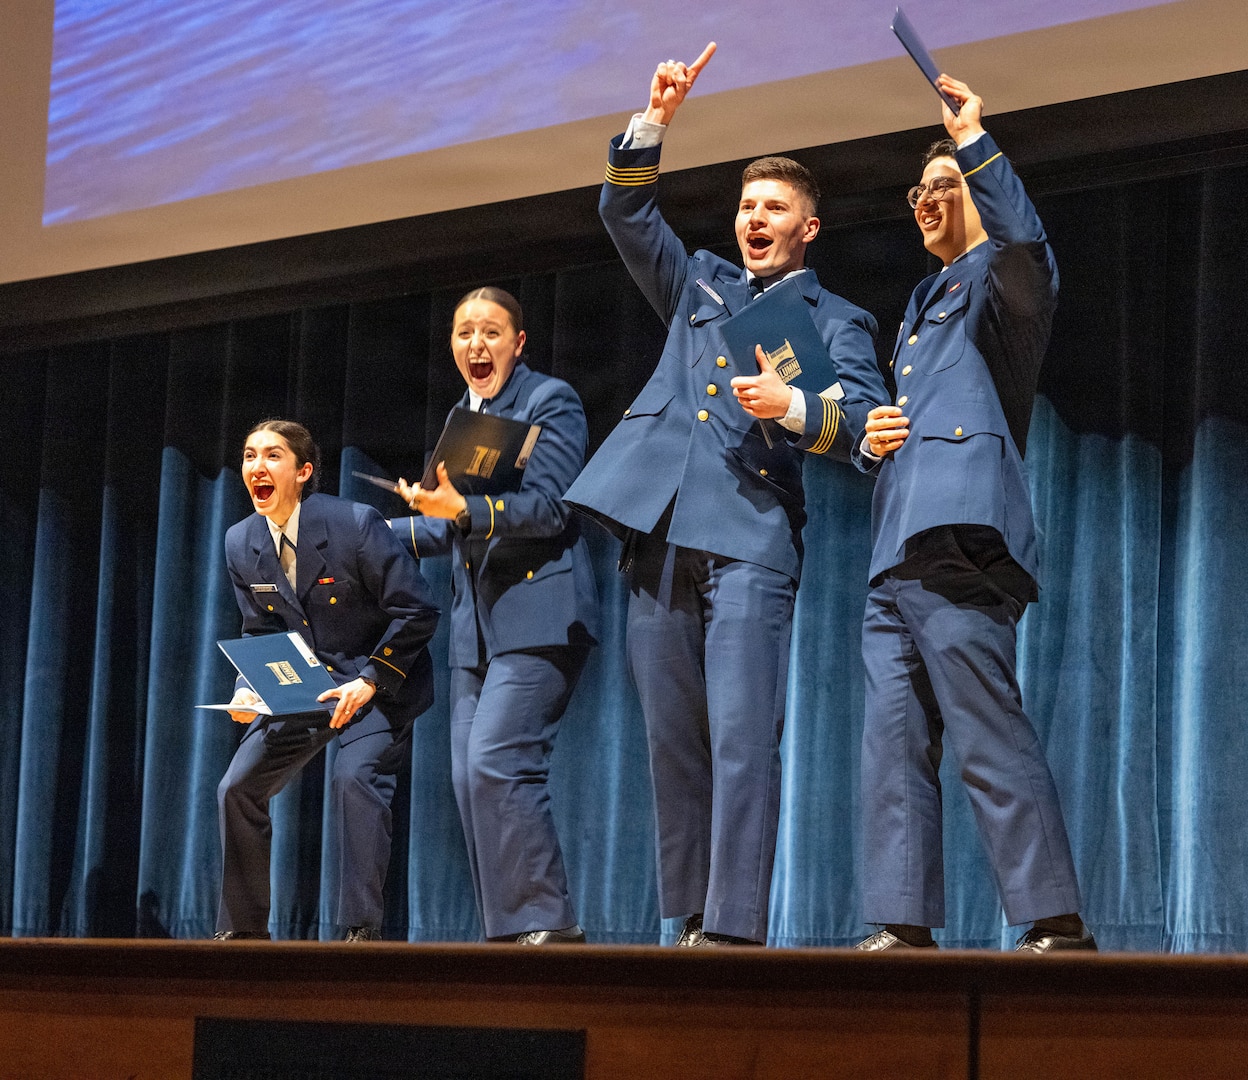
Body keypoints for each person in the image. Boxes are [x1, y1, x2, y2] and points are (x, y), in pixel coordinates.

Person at [564, 44, 888, 947]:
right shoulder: (698, 280)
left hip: (750, 538)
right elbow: (624, 210)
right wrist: (655, 121)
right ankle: (692, 919)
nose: (755, 217)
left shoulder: (838, 320)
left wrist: (796, 406)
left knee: (744, 744)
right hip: (658, 534)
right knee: (676, 749)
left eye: (774, 207)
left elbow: (863, 431)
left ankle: (737, 929)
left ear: (807, 230)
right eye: (747, 204)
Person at [853, 75, 1094, 952]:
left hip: (960, 535)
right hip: (894, 541)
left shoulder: (1002, 278)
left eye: (942, 187)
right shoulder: (920, 302)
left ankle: (1053, 920)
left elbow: (1025, 241)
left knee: (987, 734)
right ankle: (902, 923)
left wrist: (974, 142)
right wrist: (871, 437)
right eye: (918, 192)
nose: (926, 201)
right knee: (891, 745)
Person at [395, 287, 598, 945]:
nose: (475, 345)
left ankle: (550, 925)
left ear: (519, 343)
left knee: (497, 762)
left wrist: (465, 512)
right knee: (467, 777)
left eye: (490, 332)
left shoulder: (548, 401)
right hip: (476, 634)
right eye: (463, 333)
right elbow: (448, 528)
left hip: (539, 614)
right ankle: (509, 938)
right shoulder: (462, 414)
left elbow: (553, 507)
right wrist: (369, 530)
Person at [216, 419, 439, 941]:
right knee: (236, 787)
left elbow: (418, 611)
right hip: (304, 686)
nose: (257, 468)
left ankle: (359, 932)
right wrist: (250, 688)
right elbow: (262, 628)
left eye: (272, 456)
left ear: (303, 472)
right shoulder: (240, 541)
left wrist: (370, 680)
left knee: (353, 778)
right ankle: (242, 935)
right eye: (249, 456)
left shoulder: (355, 524)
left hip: (376, 680)